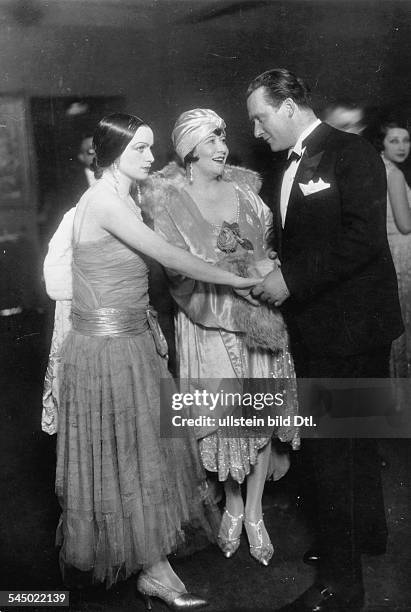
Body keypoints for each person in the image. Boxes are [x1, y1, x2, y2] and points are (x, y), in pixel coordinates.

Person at [53, 113, 260, 609]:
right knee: (131, 453)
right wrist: (238, 280)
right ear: (111, 152)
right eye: (140, 149)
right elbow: (170, 256)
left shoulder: (125, 197)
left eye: (151, 147)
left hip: (129, 342)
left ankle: (153, 567)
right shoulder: (103, 201)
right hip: (107, 350)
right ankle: (153, 570)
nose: (151, 157)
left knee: (141, 451)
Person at [246, 69, 403, 611]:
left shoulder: (349, 152)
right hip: (333, 324)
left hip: (349, 328)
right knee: (352, 442)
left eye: (261, 117)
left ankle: (342, 587)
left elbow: (362, 238)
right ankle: (365, 539)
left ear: (289, 106)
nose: (258, 131)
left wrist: (289, 278)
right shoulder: (288, 163)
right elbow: (314, 235)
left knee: (336, 452)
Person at [148, 108, 299, 568]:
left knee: (259, 414)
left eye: (223, 137)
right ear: (190, 148)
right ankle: (232, 505)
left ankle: (254, 512)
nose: (222, 146)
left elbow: (271, 249)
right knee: (227, 417)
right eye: (212, 139)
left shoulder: (247, 195)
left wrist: (263, 270)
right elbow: (175, 270)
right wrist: (229, 281)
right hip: (207, 324)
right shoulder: (168, 201)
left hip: (260, 317)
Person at [375, 120, 411, 409]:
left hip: (385, 253)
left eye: (405, 140)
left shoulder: (376, 167)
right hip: (403, 253)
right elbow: (405, 223)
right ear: (382, 143)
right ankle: (402, 399)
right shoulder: (395, 174)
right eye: (394, 140)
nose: (401, 147)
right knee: (404, 326)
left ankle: (393, 398)